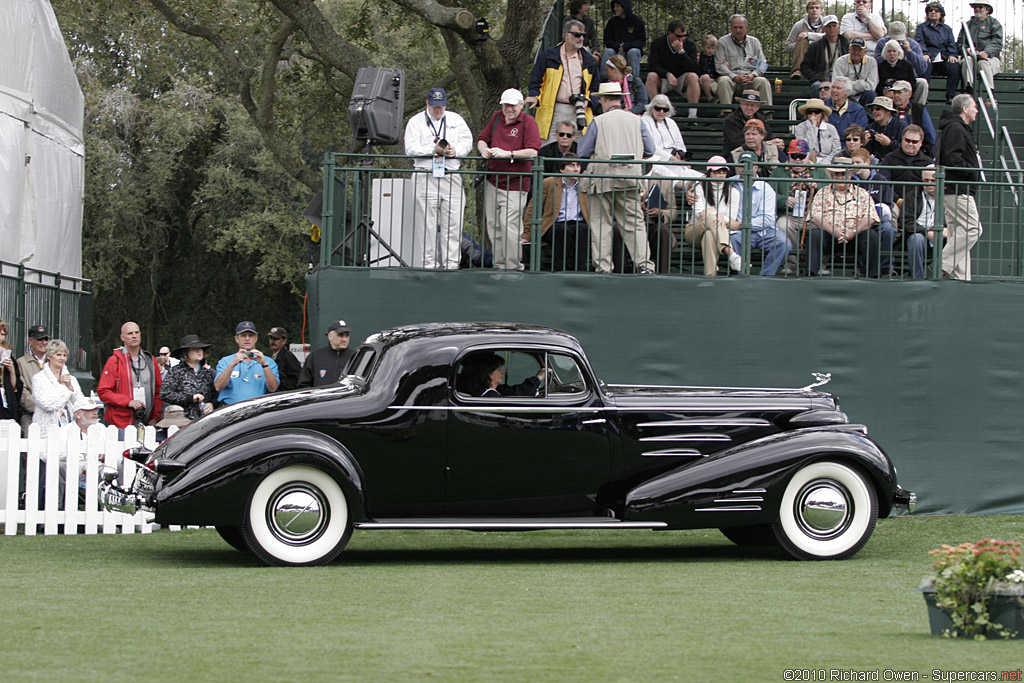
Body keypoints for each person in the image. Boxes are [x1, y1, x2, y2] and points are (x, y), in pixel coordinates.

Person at [576, 81, 656, 275]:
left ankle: (603, 267)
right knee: (634, 224)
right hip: (630, 178)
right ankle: (644, 264)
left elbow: (582, 151)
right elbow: (650, 150)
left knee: (600, 224)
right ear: (620, 99)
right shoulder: (637, 121)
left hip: (602, 180)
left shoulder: (599, 121)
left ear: (603, 99)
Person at [403, 86, 474, 270]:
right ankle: (429, 265)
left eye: (441, 106)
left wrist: (455, 150)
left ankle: (452, 264)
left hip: (450, 173)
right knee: (427, 222)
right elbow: (410, 148)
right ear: (427, 103)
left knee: (453, 221)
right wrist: (431, 150)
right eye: (434, 106)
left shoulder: (455, 120)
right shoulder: (415, 121)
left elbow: (467, 141)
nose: (438, 110)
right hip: (425, 174)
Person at [477, 88, 542, 271]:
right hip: (493, 180)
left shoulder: (528, 122)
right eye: (506, 105)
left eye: (512, 105)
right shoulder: (497, 117)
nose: (509, 109)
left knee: (509, 225)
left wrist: (508, 153)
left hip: (515, 182)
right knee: (493, 224)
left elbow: (533, 150)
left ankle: (513, 266)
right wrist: (484, 150)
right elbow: (482, 138)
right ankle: (499, 265)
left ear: (521, 105)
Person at [527, 19, 600, 143]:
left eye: (584, 35)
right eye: (577, 35)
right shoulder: (548, 55)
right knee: (548, 145)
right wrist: (535, 96)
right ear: (566, 35)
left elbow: (595, 87)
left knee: (580, 148)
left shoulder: (589, 60)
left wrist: (588, 101)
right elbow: (535, 80)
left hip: (580, 110)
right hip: (554, 109)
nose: (581, 38)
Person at [935, 94, 984, 280]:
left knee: (958, 233)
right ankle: (942, 264)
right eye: (974, 107)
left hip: (954, 187)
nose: (976, 110)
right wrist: (972, 171)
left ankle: (960, 279)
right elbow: (952, 158)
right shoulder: (956, 128)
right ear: (965, 109)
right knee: (973, 228)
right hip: (958, 188)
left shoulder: (953, 127)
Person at [807, 157, 879, 276]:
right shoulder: (822, 192)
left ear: (850, 174)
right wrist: (834, 231)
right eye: (836, 174)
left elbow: (870, 217)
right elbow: (815, 216)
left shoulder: (862, 193)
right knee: (815, 235)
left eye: (843, 174)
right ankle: (810, 274)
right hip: (830, 235)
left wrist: (854, 232)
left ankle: (874, 275)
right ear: (831, 175)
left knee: (871, 235)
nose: (840, 177)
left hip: (855, 236)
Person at [728, 151, 789, 276]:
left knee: (784, 243)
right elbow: (706, 181)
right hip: (739, 233)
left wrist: (740, 224)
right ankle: (741, 274)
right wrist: (692, 188)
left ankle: (766, 275)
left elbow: (767, 219)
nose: (745, 169)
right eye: (742, 165)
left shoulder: (766, 188)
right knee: (733, 239)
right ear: (737, 167)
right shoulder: (728, 183)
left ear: (756, 167)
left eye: (749, 165)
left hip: (764, 231)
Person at [527, 154, 590, 272]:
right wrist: (527, 233)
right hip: (555, 223)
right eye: (571, 166)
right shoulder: (549, 183)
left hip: (578, 222)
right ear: (562, 169)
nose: (576, 169)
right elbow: (533, 206)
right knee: (562, 231)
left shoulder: (585, 183)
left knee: (583, 229)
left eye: (578, 166)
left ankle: (580, 270)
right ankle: (559, 269)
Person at [682, 155, 742, 275]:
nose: (721, 174)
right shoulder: (699, 187)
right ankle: (731, 254)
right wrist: (717, 215)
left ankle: (711, 274)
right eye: (716, 171)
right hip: (694, 229)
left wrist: (713, 213)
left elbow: (731, 219)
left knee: (709, 234)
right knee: (710, 218)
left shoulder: (733, 192)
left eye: (723, 171)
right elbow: (699, 213)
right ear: (709, 172)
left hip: (716, 230)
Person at [97, 321, 163, 429]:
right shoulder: (114, 361)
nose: (134, 336)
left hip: (147, 421)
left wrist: (156, 417)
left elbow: (159, 391)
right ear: (122, 337)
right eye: (130, 333)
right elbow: (103, 392)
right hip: (120, 422)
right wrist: (128, 401)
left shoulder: (151, 360)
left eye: (137, 332)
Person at [849, 148, 896, 277]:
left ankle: (886, 267)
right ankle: (861, 266)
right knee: (863, 231)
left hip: (879, 219)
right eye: (853, 163)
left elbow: (888, 205)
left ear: (868, 162)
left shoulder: (880, 179)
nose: (855, 166)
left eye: (858, 162)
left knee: (888, 229)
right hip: (857, 220)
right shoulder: (850, 181)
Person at [774, 140, 818, 274]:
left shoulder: (819, 171)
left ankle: (819, 265)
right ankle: (791, 264)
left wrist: (818, 187)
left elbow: (830, 191)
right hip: (790, 215)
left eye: (801, 156)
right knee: (783, 224)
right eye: (794, 156)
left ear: (808, 157)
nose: (798, 160)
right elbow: (768, 194)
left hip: (814, 215)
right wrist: (784, 200)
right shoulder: (779, 171)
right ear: (788, 156)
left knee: (826, 226)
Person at [214, 321, 279, 405]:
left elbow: (273, 388)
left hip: (259, 410)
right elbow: (218, 387)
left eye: (251, 335)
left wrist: (264, 365)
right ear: (236, 339)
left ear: (256, 338)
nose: (247, 338)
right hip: (230, 410)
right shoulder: (225, 361)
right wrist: (232, 365)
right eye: (243, 335)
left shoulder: (268, 361)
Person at [715, 15, 772, 107]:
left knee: (763, 81)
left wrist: (753, 75)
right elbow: (719, 65)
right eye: (735, 27)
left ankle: (768, 114)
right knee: (723, 80)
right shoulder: (723, 42)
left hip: (750, 79)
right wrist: (734, 77)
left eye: (741, 27)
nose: (738, 30)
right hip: (732, 79)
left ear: (746, 28)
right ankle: (726, 113)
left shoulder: (754, 42)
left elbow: (763, 65)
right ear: (731, 28)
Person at [644, 20, 699, 117]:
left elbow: (693, 67)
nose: (682, 39)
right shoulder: (658, 42)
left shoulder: (690, 44)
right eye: (678, 36)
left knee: (693, 77)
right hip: (664, 79)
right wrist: (667, 74)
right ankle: (655, 111)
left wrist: (681, 52)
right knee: (651, 76)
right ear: (670, 33)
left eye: (684, 36)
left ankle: (692, 115)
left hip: (682, 79)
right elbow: (653, 64)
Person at [31, 339, 85, 432]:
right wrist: (63, 387)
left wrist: (70, 387)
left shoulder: (71, 379)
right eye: (58, 355)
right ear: (48, 356)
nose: (62, 358)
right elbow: (47, 404)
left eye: (64, 355)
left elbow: (79, 403)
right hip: (46, 427)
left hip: (68, 426)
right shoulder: (39, 378)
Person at [160, 334, 216, 421]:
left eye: (200, 348)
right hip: (182, 422)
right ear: (185, 353)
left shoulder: (207, 373)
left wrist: (212, 404)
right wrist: (190, 398)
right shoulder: (176, 371)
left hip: (205, 422)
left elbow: (215, 395)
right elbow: (165, 393)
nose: (199, 351)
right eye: (194, 349)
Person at [900, 166, 943, 279]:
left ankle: (948, 276)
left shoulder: (949, 197)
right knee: (916, 239)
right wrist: (926, 232)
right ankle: (918, 279)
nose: (929, 184)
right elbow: (907, 223)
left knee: (958, 239)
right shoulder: (912, 196)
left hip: (942, 235)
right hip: (919, 234)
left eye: (933, 180)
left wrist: (946, 230)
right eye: (925, 180)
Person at [915, 2, 960, 105]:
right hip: (929, 57)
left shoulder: (946, 29)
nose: (933, 12)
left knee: (954, 66)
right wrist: (925, 53)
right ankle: (924, 96)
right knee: (924, 65)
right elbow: (919, 42)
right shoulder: (921, 28)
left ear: (941, 14)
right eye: (930, 10)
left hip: (943, 58)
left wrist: (952, 54)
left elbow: (951, 43)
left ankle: (950, 96)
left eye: (936, 10)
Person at [873, 24, 929, 106]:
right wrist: (891, 53)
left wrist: (909, 51)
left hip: (907, 79)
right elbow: (876, 62)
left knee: (922, 83)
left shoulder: (913, 44)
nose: (898, 43)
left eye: (900, 40)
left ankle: (917, 109)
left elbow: (921, 69)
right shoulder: (882, 43)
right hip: (887, 80)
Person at [958, 2, 1002, 94]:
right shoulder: (967, 25)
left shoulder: (994, 23)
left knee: (983, 63)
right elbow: (960, 42)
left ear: (987, 10)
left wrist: (986, 52)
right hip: (972, 57)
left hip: (990, 58)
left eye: (980, 7)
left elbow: (997, 42)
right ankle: (969, 90)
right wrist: (966, 49)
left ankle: (989, 94)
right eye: (975, 7)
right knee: (967, 60)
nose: (977, 9)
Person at [799, 15, 848, 98]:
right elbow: (805, 67)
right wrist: (815, 78)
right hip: (821, 79)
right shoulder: (815, 46)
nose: (832, 28)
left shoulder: (846, 45)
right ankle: (815, 109)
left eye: (834, 26)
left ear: (838, 27)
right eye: (828, 26)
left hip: (841, 79)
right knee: (816, 86)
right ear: (823, 29)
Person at [720, 90, 782, 156]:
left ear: (757, 107)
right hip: (735, 156)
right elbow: (736, 143)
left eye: (752, 105)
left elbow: (768, 137)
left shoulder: (762, 119)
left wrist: (776, 143)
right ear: (741, 104)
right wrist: (767, 144)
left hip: (761, 156)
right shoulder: (730, 120)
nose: (749, 108)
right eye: (746, 104)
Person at [299, 319, 355, 388]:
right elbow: (304, 385)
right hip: (322, 398)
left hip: (347, 398)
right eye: (340, 335)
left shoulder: (355, 357)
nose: (344, 339)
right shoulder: (315, 357)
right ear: (330, 336)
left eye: (347, 335)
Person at [600, 0, 645, 81]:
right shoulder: (612, 22)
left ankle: (633, 81)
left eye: (617, 6)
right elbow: (607, 40)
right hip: (616, 51)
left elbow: (641, 41)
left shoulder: (637, 21)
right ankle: (604, 79)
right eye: (614, 6)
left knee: (633, 52)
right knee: (607, 52)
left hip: (630, 50)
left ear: (624, 7)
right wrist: (616, 46)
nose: (615, 9)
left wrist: (628, 46)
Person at [886, 80, 935, 155]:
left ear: (909, 94)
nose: (896, 96)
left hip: (916, 153)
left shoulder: (919, 109)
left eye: (899, 92)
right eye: (894, 92)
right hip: (893, 154)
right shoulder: (888, 109)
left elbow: (930, 136)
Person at [15, 324, 48, 433]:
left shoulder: (54, 361)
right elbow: (22, 391)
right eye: (39, 339)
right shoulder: (21, 362)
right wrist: (39, 409)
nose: (43, 342)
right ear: (30, 341)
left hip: (53, 412)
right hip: (30, 413)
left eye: (46, 339)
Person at [464, 353, 544, 397]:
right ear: (488, 373)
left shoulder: (495, 390)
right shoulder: (490, 396)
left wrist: (537, 379)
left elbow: (518, 391)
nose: (502, 372)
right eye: (499, 369)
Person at [832, 37, 878, 105]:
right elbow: (837, 85)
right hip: (845, 94)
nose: (856, 52)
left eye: (859, 50)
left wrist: (847, 84)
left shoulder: (872, 62)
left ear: (865, 52)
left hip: (863, 95)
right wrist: (861, 83)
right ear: (849, 50)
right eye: (854, 49)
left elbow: (871, 86)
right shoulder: (840, 61)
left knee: (871, 94)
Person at [787, 0, 825, 81]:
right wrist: (799, 44)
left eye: (817, 8)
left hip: (821, 55)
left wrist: (809, 35)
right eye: (811, 8)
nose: (814, 10)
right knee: (803, 39)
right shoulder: (799, 25)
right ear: (807, 11)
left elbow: (830, 37)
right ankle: (797, 70)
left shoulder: (826, 24)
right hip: (805, 56)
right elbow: (788, 46)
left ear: (821, 10)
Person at [875, 41, 922, 105]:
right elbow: (878, 85)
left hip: (904, 96)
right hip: (885, 98)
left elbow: (912, 84)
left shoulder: (907, 65)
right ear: (885, 53)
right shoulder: (880, 66)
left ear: (899, 53)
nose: (892, 54)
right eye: (889, 51)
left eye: (894, 51)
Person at [794, 98, 841, 163]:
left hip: (828, 162)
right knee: (811, 152)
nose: (813, 115)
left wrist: (825, 162)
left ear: (822, 114)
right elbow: (805, 148)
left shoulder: (831, 128)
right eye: (810, 112)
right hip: (808, 161)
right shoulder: (800, 128)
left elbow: (836, 150)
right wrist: (813, 127)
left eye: (816, 112)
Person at [641, 94, 685, 162]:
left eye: (665, 110)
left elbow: (680, 143)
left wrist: (682, 156)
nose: (661, 112)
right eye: (658, 109)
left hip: (674, 160)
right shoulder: (645, 121)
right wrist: (671, 158)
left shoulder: (671, 122)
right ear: (652, 108)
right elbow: (651, 147)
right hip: (654, 161)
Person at [266, 326, 301, 391]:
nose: (273, 341)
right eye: (271, 338)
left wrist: (280, 384)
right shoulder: (270, 358)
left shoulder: (288, 356)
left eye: (276, 339)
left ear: (284, 341)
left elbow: (296, 379)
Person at [0, 318, 19, 423]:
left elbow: (13, 387)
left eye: (3, 334)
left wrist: (11, 370)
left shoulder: (7, 355)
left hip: (6, 402)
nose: (1, 338)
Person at [697, 35, 720, 104]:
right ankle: (709, 97)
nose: (711, 50)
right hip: (702, 79)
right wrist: (696, 62)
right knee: (705, 77)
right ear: (703, 47)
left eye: (713, 48)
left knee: (717, 87)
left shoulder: (715, 58)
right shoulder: (700, 57)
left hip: (713, 79)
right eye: (708, 48)